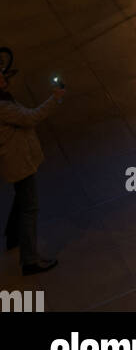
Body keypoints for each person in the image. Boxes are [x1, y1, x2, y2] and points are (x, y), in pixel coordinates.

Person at [0, 65, 64, 275]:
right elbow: (30, 117)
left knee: (22, 199)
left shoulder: (4, 98)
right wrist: (54, 99)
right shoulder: (3, 106)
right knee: (30, 207)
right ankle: (30, 260)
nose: (3, 78)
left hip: (15, 159)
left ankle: (13, 237)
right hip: (18, 160)